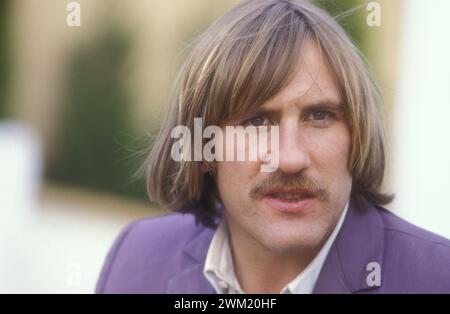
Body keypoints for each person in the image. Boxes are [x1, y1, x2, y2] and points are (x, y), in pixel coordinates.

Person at [96, 0, 450, 293]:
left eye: (320, 116)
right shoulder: (136, 260)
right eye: (256, 121)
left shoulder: (436, 278)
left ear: (357, 135)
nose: (290, 158)